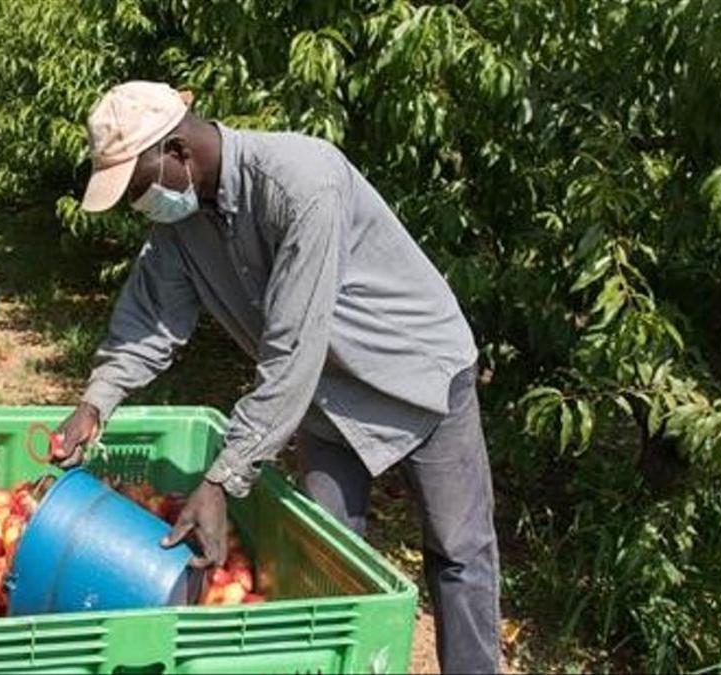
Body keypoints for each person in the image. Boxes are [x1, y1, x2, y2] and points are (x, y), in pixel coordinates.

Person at [50, 81, 500, 673]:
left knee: (458, 550)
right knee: (326, 556)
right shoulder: (180, 227)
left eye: (139, 187)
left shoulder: (301, 183)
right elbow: (151, 321)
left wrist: (221, 480)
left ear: (179, 152)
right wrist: (95, 401)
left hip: (414, 374)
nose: (141, 205)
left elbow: (291, 351)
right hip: (320, 397)